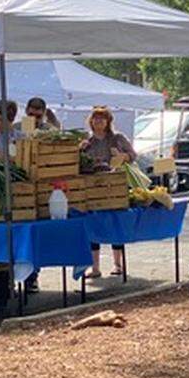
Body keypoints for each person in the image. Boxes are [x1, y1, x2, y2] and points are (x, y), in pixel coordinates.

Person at [81, 106, 137, 278]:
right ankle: (95, 267)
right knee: (93, 225)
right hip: (93, 187)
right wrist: (79, 150)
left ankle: (118, 265)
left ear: (108, 122)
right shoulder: (87, 140)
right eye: (96, 118)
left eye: (102, 119)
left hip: (114, 186)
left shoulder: (117, 138)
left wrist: (121, 156)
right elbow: (78, 161)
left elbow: (133, 155)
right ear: (91, 121)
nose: (99, 121)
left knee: (115, 224)